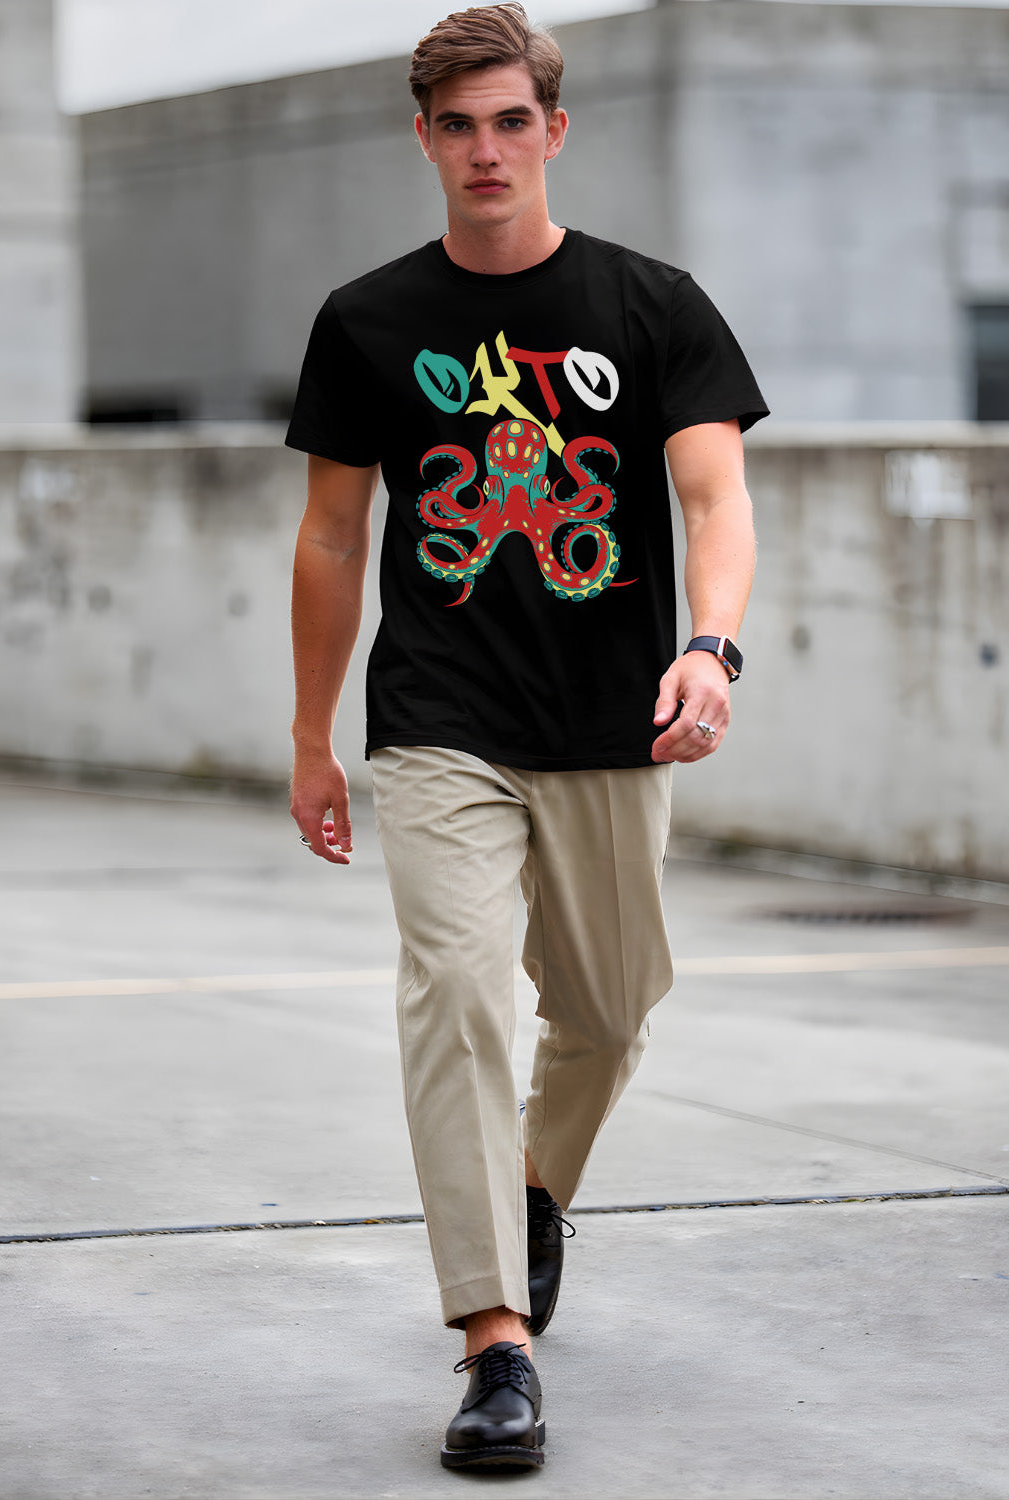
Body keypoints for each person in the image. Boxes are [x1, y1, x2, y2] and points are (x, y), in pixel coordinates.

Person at [285, 2, 767, 1471]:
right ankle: (496, 1342)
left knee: (613, 1008)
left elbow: (714, 499)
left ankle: (538, 1188)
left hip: (614, 721)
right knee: (459, 996)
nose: (486, 150)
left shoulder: (652, 304)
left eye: (511, 122)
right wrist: (313, 738)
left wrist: (710, 644)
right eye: (457, 125)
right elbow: (328, 539)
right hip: (439, 722)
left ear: (553, 131)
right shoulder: (368, 320)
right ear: (424, 138)